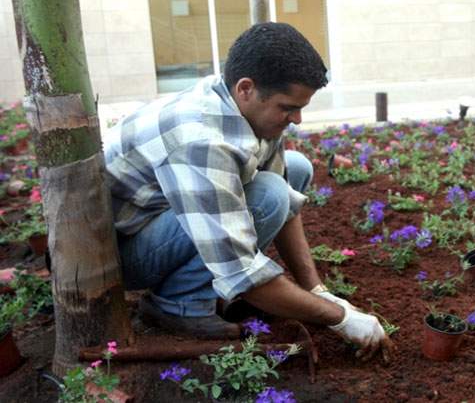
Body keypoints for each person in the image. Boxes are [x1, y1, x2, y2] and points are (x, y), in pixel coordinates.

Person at [104, 22, 393, 361]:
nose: (297, 119)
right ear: (246, 88)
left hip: (161, 220)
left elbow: (288, 208)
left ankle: (193, 287)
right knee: (268, 194)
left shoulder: (242, 105)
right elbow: (240, 270)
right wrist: (340, 319)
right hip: (120, 254)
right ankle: (178, 304)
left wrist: (319, 291)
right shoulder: (199, 139)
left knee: (295, 169)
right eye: (288, 108)